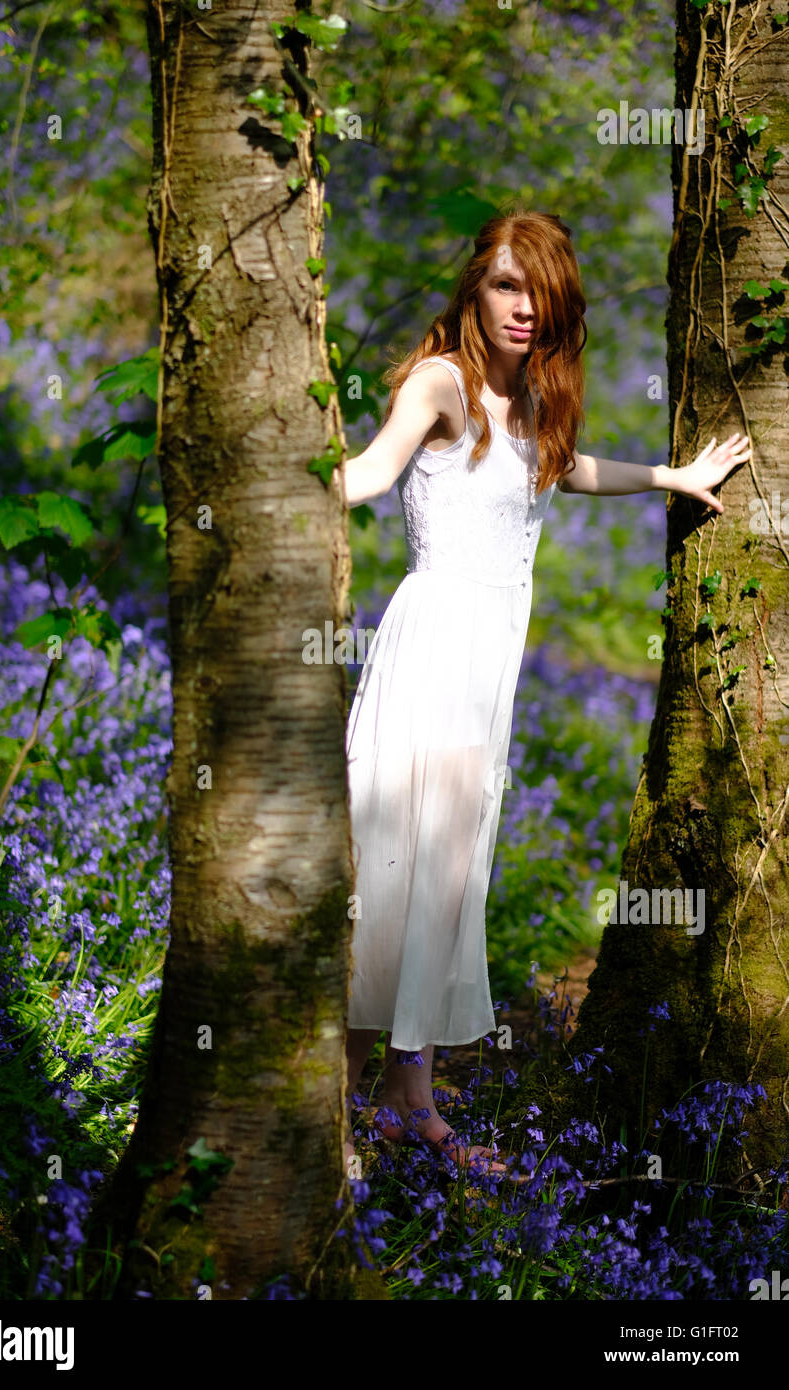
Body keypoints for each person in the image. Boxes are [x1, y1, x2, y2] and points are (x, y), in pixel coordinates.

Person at [335, 208, 750, 1177]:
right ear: (473, 287)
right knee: (389, 868)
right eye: (504, 286)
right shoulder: (436, 381)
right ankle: (325, 1106)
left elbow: (560, 474)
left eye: (540, 291)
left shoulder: (527, 400)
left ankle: (406, 1099)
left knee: (444, 871)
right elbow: (366, 472)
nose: (523, 308)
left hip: (487, 669)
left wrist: (666, 475)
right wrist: (279, 465)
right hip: (432, 650)